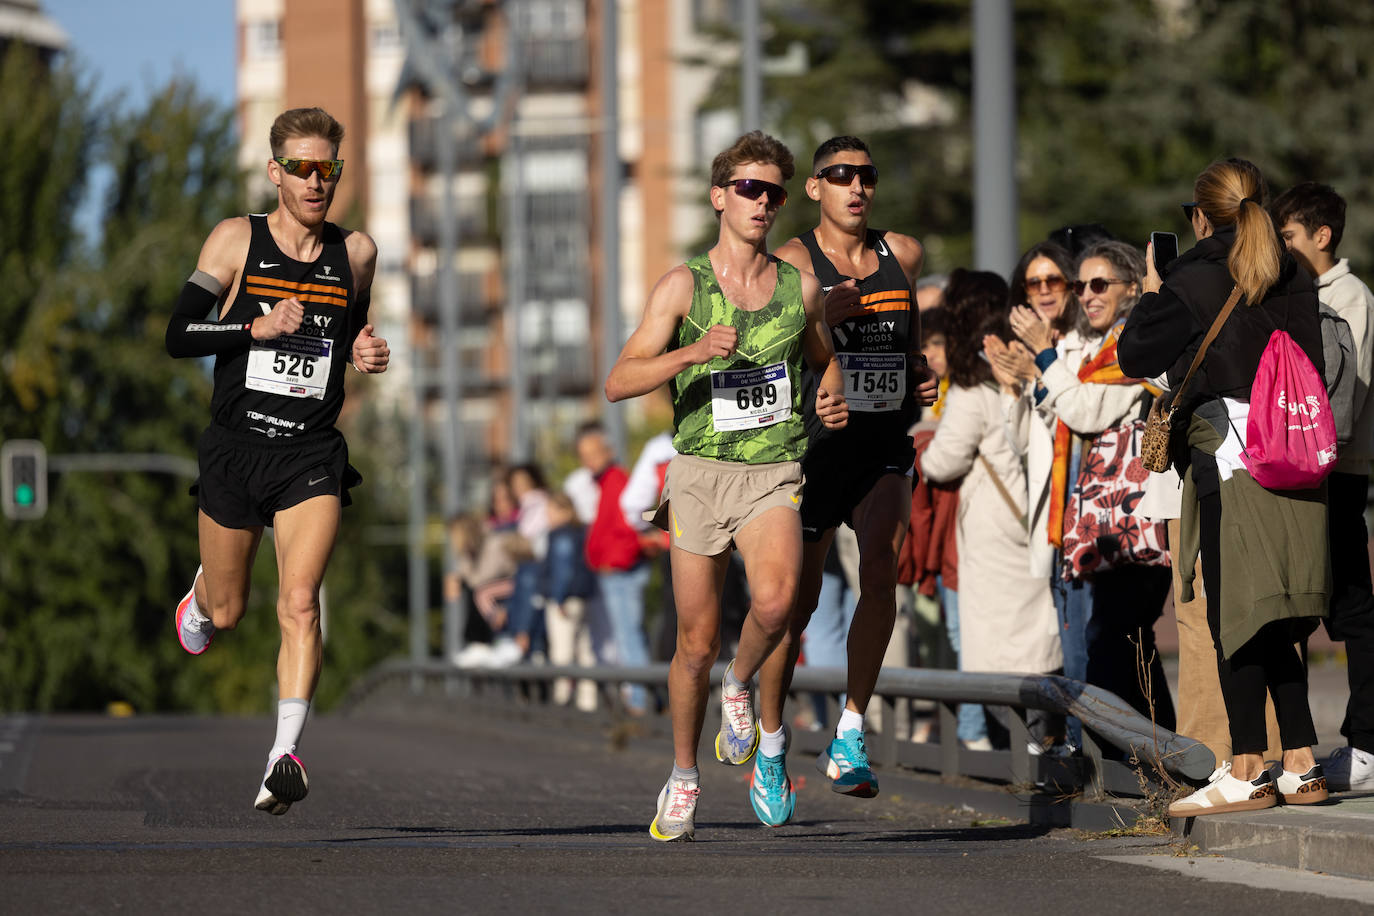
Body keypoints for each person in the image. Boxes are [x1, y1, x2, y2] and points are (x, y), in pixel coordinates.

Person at [604, 130, 848, 841]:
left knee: (776, 604)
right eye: (749, 188)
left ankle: (737, 685)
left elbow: (823, 362)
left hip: (775, 469)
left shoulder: (800, 288)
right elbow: (618, 381)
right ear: (720, 197)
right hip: (702, 473)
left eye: (774, 192)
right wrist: (693, 350)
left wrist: (829, 395)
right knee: (694, 639)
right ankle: (683, 774)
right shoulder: (684, 285)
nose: (763, 202)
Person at [164, 107, 388, 815]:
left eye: (330, 169)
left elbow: (353, 328)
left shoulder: (356, 254)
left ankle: (282, 753)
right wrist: (252, 327)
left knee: (299, 601)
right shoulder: (237, 240)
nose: (318, 182)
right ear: (276, 173)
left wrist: (363, 351)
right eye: (304, 168)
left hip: (310, 455)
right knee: (230, 614)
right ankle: (202, 594)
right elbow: (178, 334)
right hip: (235, 449)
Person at [1119, 157, 1329, 815]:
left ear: (1202, 213)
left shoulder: (1198, 274)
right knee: (1283, 603)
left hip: (1233, 459)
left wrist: (1155, 289)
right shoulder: (1292, 270)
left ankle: (1246, 769)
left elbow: (1134, 357)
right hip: (1297, 451)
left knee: (1234, 613)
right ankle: (1300, 764)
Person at [749, 135, 937, 825]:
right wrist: (819, 330)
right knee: (791, 611)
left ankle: (851, 731)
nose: (856, 187)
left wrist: (919, 367)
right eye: (840, 175)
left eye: (866, 175)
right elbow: (768, 349)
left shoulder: (905, 254)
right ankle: (772, 745)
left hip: (882, 438)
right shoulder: (793, 261)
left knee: (882, 565)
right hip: (812, 448)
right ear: (815, 189)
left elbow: (910, 339)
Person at [990, 240, 1175, 747]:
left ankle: (1151, 750)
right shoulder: (1094, 349)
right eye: (1081, 285)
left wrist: (1045, 359)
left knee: (1115, 639)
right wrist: (1020, 385)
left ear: (1133, 288)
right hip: (1089, 521)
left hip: (1130, 519)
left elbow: (1086, 411)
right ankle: (1135, 754)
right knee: (1109, 642)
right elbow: (1034, 433)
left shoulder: (1129, 345)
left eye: (1098, 284)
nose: (1085, 295)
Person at [922, 270, 1064, 748]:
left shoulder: (968, 386)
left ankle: (1024, 746)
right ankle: (1045, 741)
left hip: (991, 523)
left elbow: (943, 462)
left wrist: (921, 450)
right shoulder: (1022, 362)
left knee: (997, 640)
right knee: (1039, 631)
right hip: (1035, 510)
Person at [1272, 181, 1374, 792]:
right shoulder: (1297, 294)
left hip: (1337, 472)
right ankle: (1309, 749)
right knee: (1305, 613)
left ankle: (1366, 746)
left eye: (1288, 237)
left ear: (1322, 235)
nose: (1282, 248)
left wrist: (1314, 454)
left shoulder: (1350, 298)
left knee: (1352, 612)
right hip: (1307, 472)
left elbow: (1344, 395)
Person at [576, 422, 650, 713]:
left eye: (593, 452)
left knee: (627, 635)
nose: (588, 460)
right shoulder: (607, 481)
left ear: (608, 451)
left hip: (620, 571)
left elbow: (628, 529)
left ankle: (638, 699)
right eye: (583, 454)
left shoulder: (616, 480)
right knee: (627, 634)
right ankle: (639, 695)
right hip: (616, 570)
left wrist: (611, 561)